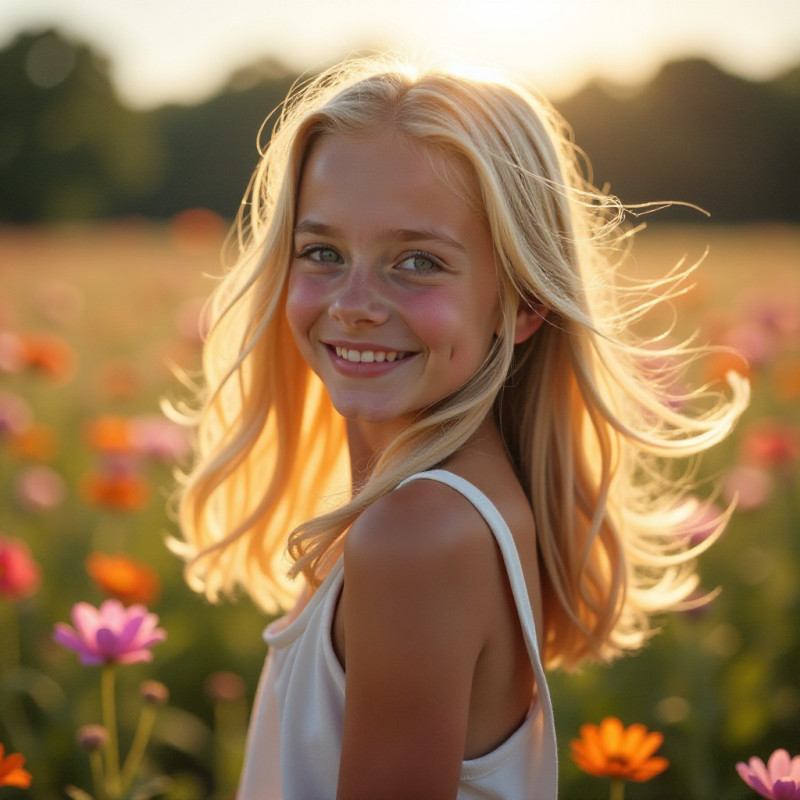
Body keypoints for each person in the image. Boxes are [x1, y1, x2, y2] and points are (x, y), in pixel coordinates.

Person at [170, 54, 749, 799]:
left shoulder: (419, 534)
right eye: (321, 252)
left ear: (525, 301)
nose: (354, 303)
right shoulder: (438, 511)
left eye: (416, 260)